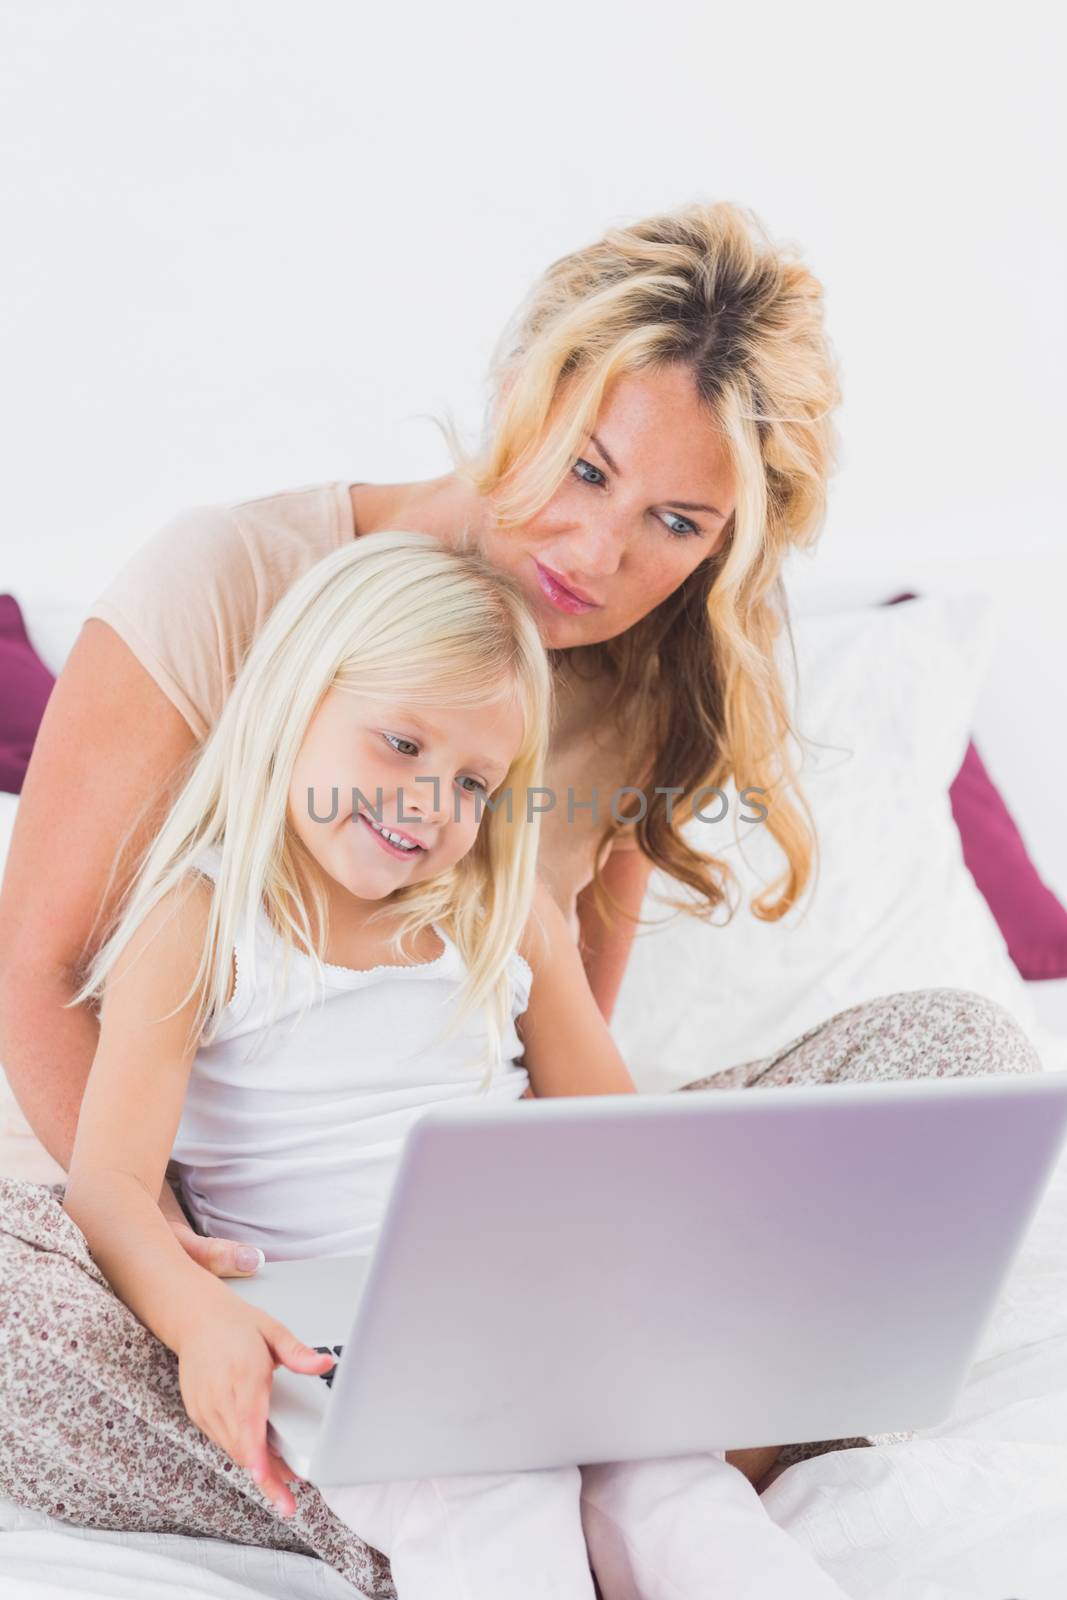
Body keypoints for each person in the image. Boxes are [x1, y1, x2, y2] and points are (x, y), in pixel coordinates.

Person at [0, 200, 1043, 1586]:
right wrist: (199, 1287)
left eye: (675, 521)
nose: (601, 553)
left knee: (956, 1062)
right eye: (587, 467)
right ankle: (434, 1488)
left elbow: (575, 1102)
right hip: (254, 1254)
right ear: (519, 389)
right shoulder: (238, 582)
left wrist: (588, 1292)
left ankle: (579, 1442)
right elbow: (41, 968)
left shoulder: (652, 680)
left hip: (512, 1258)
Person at [54, 533, 849, 1599]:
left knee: (679, 1494)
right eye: (397, 745)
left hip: (542, 1301)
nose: (428, 804)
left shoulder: (501, 916)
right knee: (487, 1512)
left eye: (472, 780)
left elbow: (618, 1143)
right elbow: (107, 1189)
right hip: (356, 1349)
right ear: (295, 701)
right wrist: (202, 1323)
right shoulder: (200, 923)